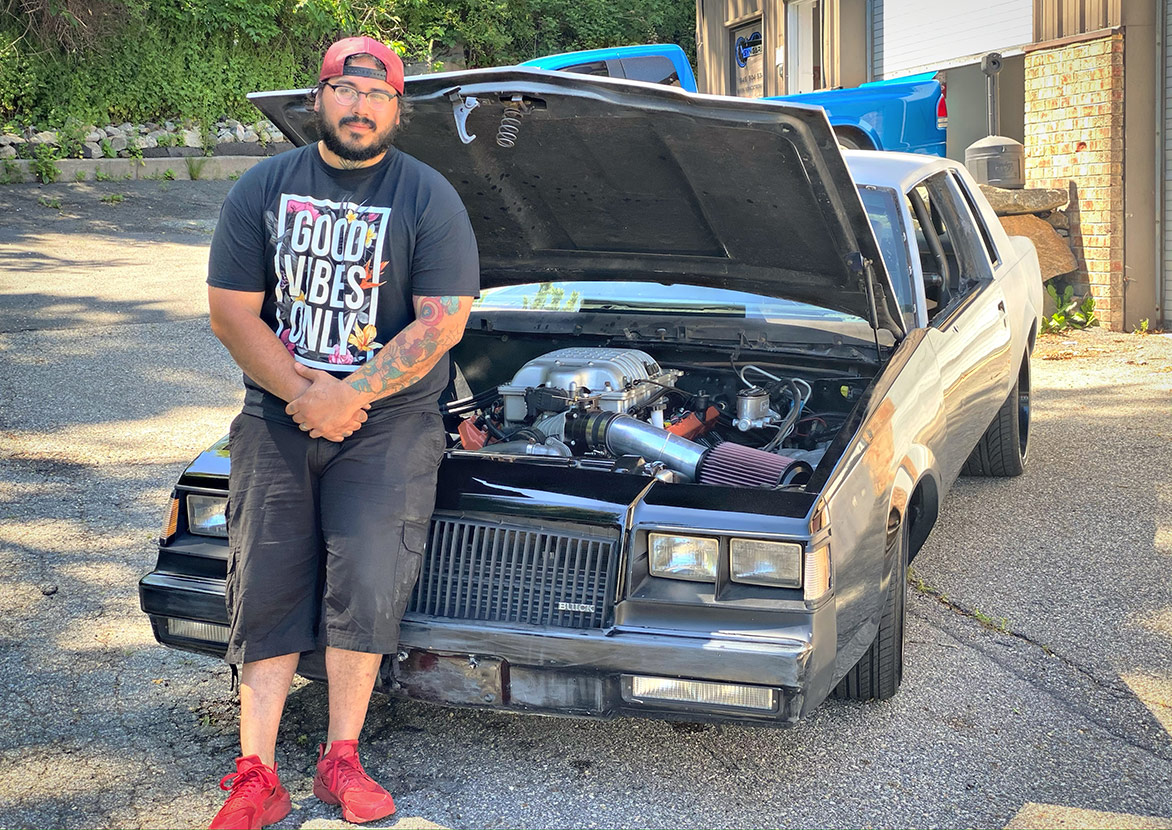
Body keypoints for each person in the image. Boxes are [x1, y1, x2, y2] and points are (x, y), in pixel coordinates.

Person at [204, 35, 479, 830]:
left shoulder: (428, 196)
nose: (360, 108)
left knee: (366, 579)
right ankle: (255, 774)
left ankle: (340, 760)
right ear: (318, 98)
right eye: (345, 92)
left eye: (378, 96)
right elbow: (231, 313)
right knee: (266, 580)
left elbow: (442, 323)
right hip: (277, 415)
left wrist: (349, 395)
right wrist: (302, 392)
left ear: (397, 108)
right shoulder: (263, 187)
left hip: (388, 422)